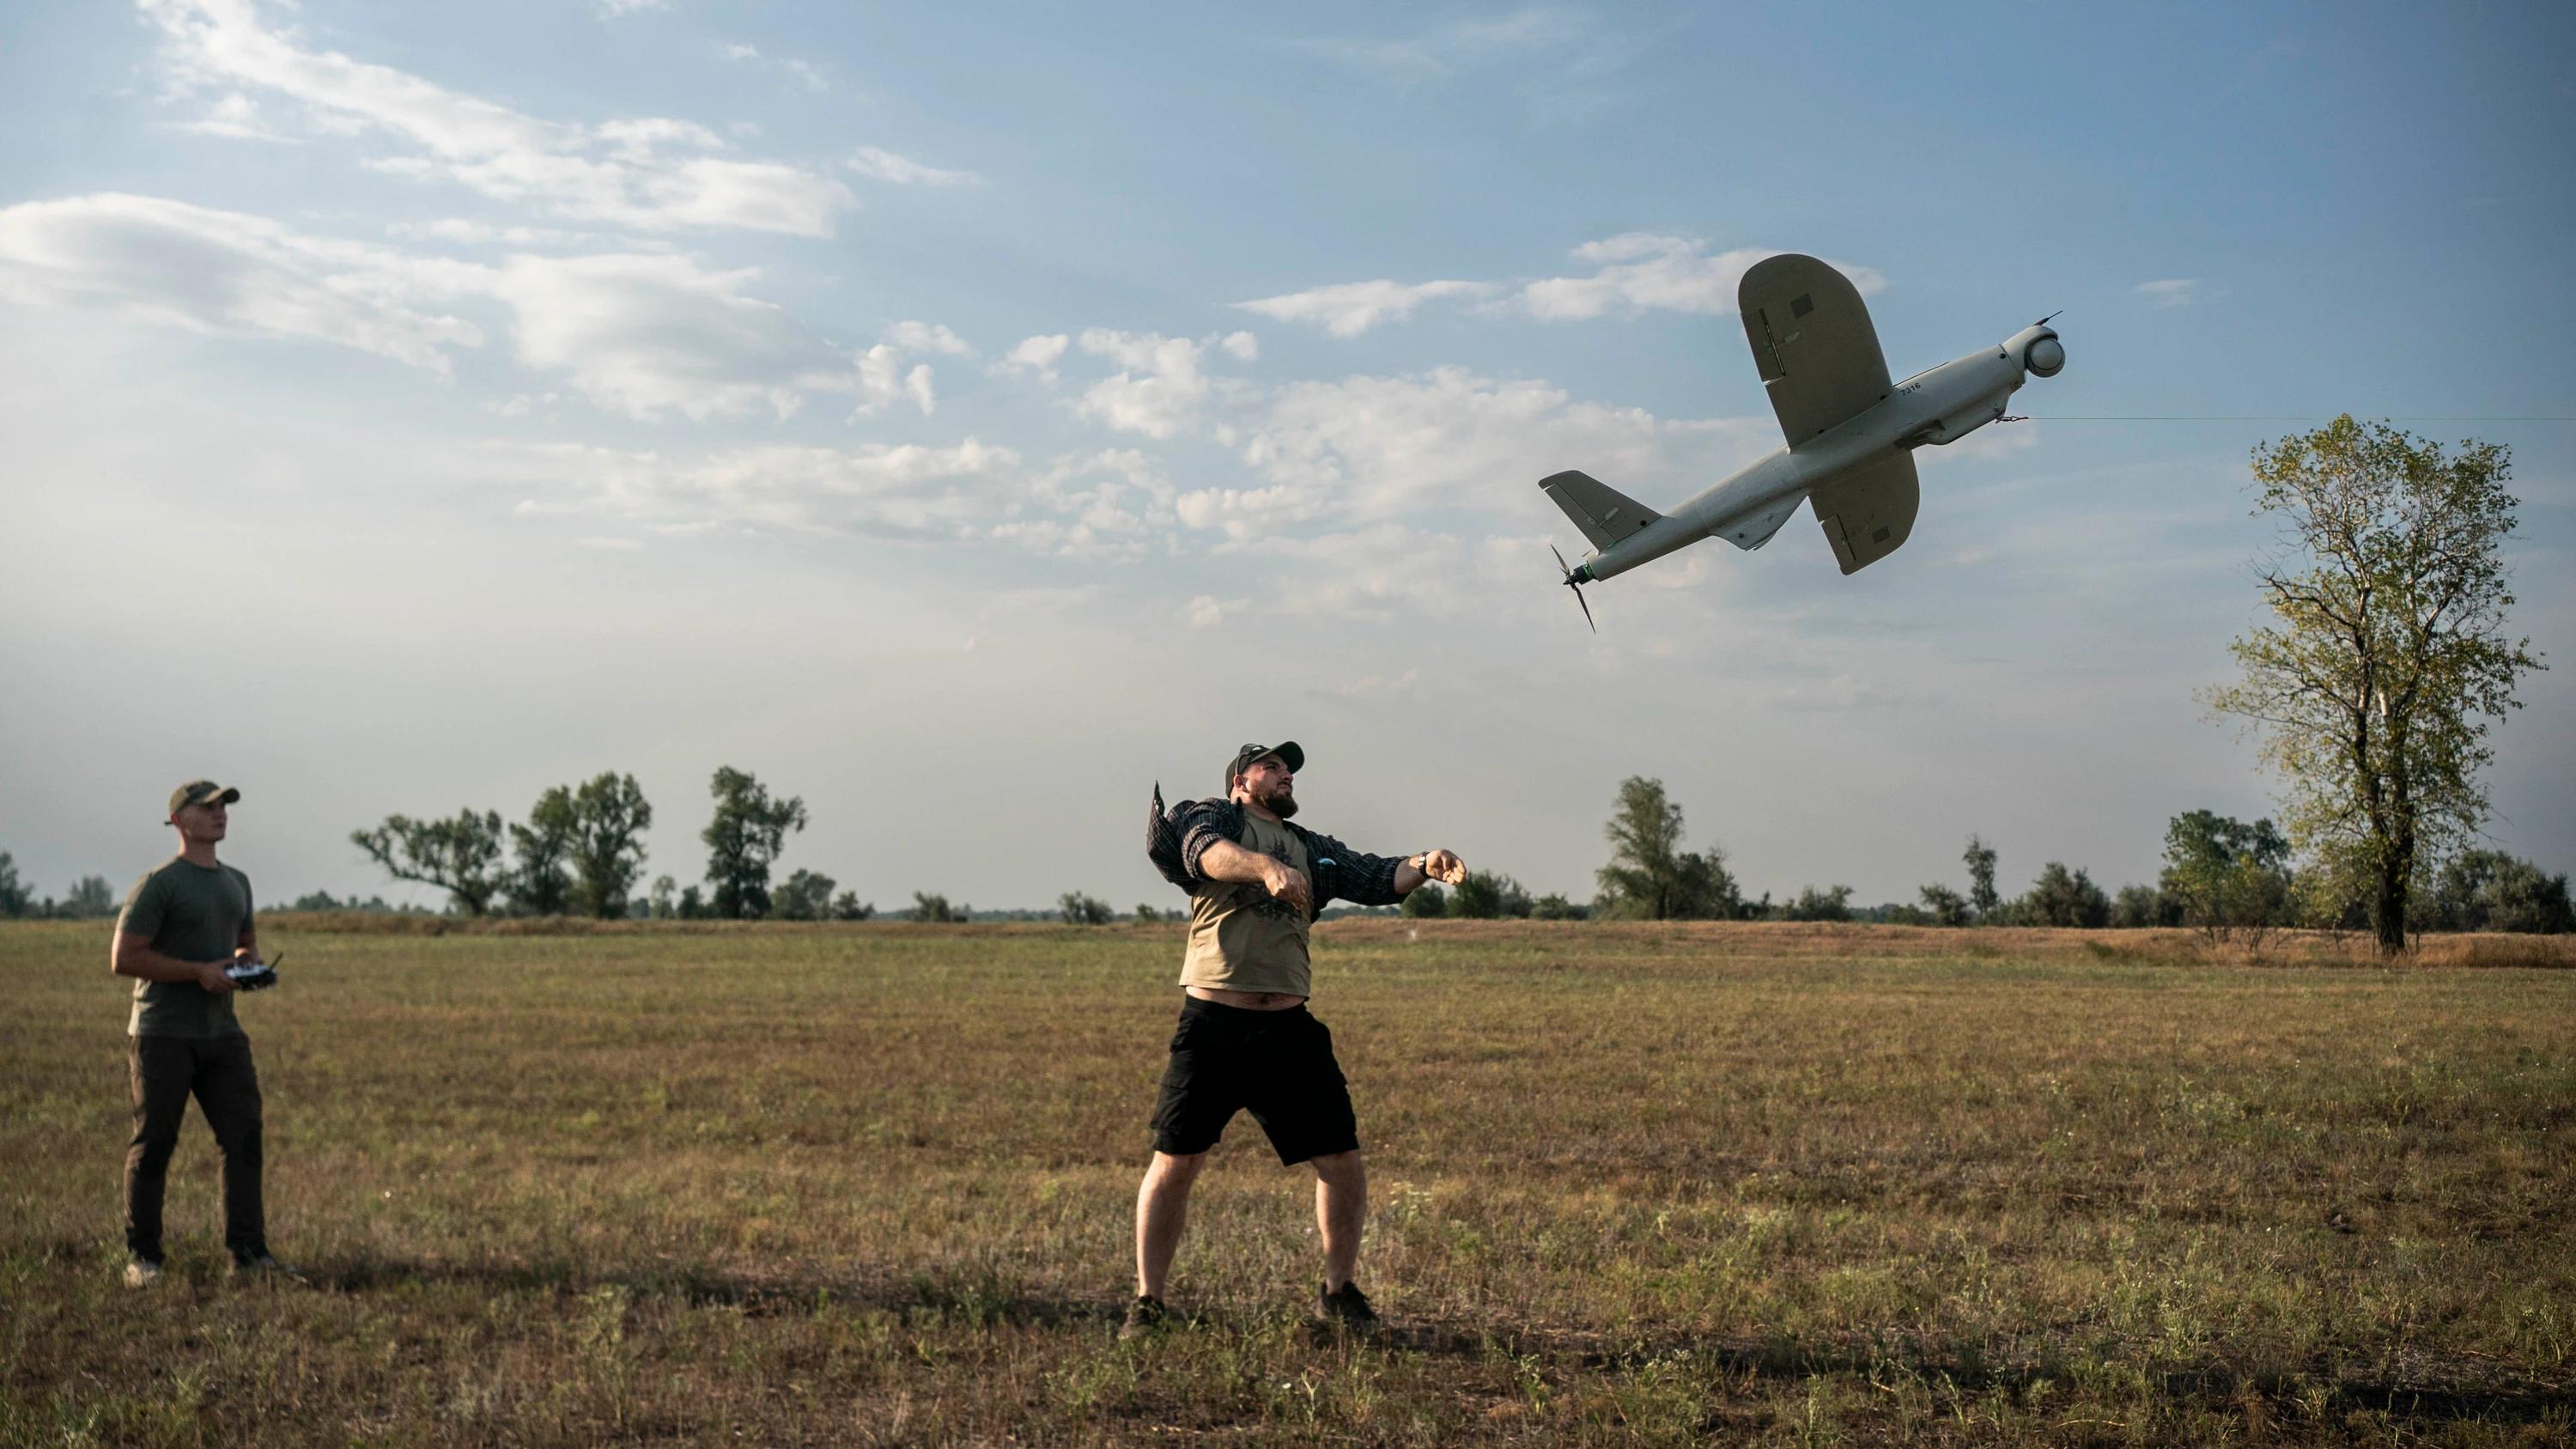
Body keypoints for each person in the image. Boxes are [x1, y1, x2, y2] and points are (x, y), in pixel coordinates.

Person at [1128, 741, 1464, 1338]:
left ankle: (1338, 1293)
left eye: (1289, 769)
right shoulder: (1217, 817)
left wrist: (1425, 861)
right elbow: (1202, 852)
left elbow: (1375, 874)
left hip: (1289, 1027)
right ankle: (1148, 1303)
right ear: (1240, 781)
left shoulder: (1311, 849)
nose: (1285, 775)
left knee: (1342, 1161)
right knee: (1175, 1162)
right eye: (1272, 766)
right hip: (1213, 1024)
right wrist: (1263, 868)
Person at [111, 781, 289, 1285]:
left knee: (244, 1138)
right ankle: (143, 1259)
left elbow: (245, 942)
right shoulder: (159, 884)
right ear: (178, 821)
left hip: (223, 1032)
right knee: (155, 1143)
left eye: (223, 807)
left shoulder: (237, 881)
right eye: (206, 807)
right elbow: (124, 958)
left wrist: (245, 967)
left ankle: (249, 1255)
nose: (219, 814)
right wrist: (197, 973)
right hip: (162, 1033)